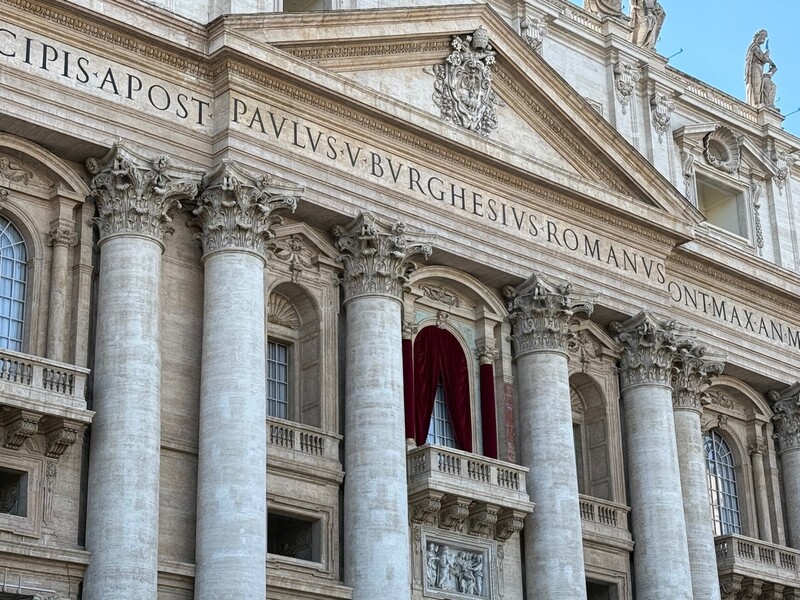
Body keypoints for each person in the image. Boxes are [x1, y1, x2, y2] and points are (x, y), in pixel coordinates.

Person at [745, 30, 772, 106]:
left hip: (759, 68)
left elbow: (763, 58)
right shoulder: (754, 47)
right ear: (757, 36)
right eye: (762, 35)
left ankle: (759, 102)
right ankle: (756, 104)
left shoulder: (757, 48)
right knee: (756, 85)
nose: (764, 38)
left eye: (765, 36)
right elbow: (763, 58)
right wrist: (767, 51)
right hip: (755, 68)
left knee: (760, 86)